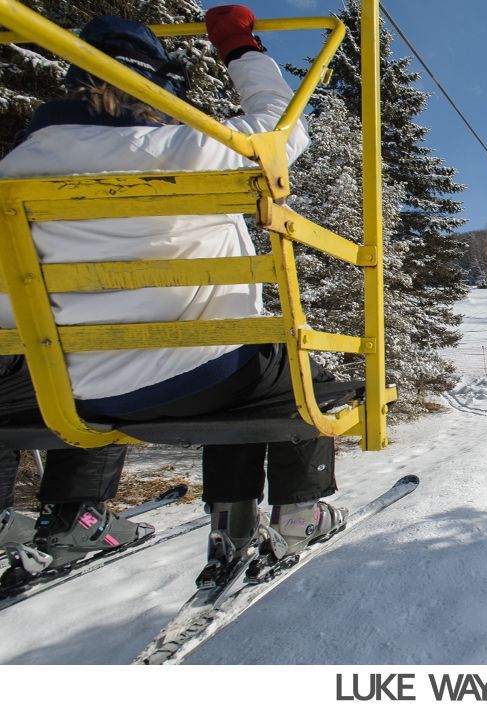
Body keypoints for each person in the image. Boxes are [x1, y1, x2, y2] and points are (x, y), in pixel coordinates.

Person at [0, 7, 345, 588]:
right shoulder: (189, 148)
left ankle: (75, 512)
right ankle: (285, 516)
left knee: (81, 366)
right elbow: (283, 124)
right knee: (293, 368)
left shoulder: (13, 169)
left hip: (56, 391)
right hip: (195, 383)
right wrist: (241, 48)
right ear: (157, 87)